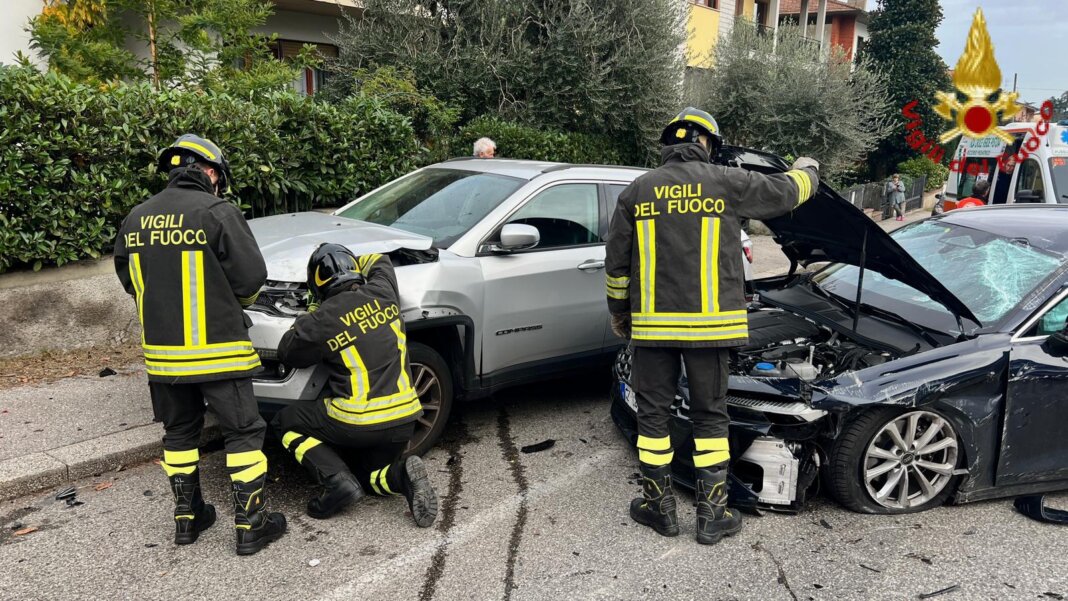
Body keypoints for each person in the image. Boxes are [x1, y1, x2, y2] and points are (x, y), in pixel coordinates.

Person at [605, 107, 819, 545]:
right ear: (707, 143)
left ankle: (658, 507)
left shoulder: (637, 192)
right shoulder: (725, 181)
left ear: (668, 144)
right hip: (711, 330)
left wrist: (619, 314)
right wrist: (808, 169)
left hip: (652, 330)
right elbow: (784, 193)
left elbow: (616, 266)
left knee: (652, 415)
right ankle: (712, 515)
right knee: (709, 416)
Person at [113, 134, 286, 555]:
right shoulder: (216, 211)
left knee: (179, 432)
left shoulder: (135, 218)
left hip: (164, 358)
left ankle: (188, 518)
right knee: (243, 432)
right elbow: (249, 280)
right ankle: (251, 524)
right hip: (219, 353)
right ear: (210, 172)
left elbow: (130, 281)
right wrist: (231, 302)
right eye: (218, 177)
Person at [272, 243, 438, 526]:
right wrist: (354, 260)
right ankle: (401, 477)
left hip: (357, 422)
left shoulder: (322, 319)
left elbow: (287, 352)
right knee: (370, 476)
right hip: (405, 420)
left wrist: (311, 308)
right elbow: (379, 258)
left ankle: (337, 482)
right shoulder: (384, 290)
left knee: (284, 422)